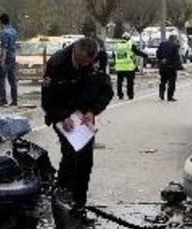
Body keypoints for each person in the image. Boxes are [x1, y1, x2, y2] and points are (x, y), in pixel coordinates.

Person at [42, 37, 113, 210]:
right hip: (63, 115)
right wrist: (62, 116)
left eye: (88, 63)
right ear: (76, 52)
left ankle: (79, 202)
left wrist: (92, 111)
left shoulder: (95, 62)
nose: (84, 67)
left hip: (83, 115)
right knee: (71, 154)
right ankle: (62, 196)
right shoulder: (57, 64)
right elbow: (48, 101)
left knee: (85, 159)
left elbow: (106, 91)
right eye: (81, 63)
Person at [0, 13, 19, 107]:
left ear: (1, 21)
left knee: (1, 78)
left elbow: (4, 47)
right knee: (12, 79)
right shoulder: (13, 31)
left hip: (7, 56)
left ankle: (3, 99)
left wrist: (2, 59)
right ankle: (14, 100)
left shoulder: (4, 32)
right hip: (13, 56)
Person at [156, 34, 183, 101]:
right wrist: (179, 66)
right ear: (174, 39)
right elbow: (176, 57)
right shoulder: (175, 46)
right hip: (171, 67)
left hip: (163, 66)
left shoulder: (162, 44)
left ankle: (161, 94)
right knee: (171, 82)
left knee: (163, 81)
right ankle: (169, 97)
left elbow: (158, 53)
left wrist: (161, 60)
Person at [113, 34, 138, 100]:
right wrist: (145, 55)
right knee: (130, 82)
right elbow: (137, 52)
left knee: (119, 82)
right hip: (129, 67)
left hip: (119, 67)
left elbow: (114, 55)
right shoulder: (130, 45)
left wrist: (116, 62)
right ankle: (130, 95)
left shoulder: (117, 45)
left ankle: (120, 94)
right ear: (129, 39)